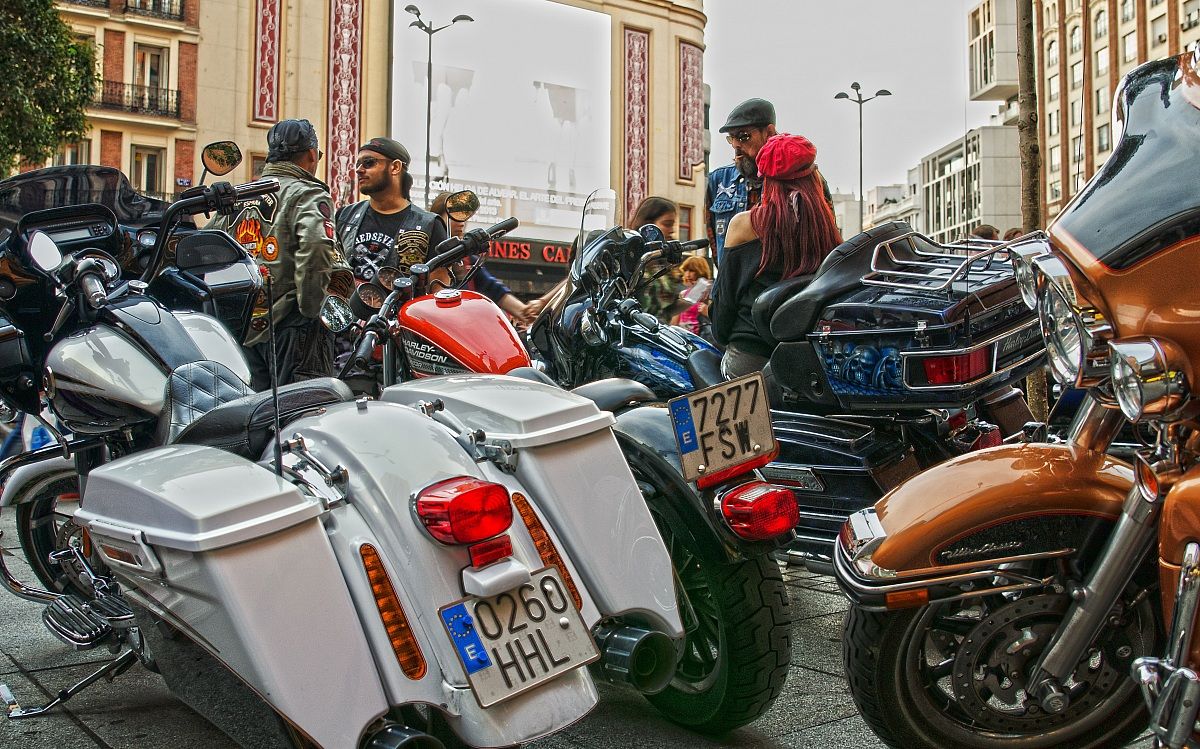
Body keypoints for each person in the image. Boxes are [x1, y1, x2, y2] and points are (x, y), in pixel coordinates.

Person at [207, 118, 350, 390]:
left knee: (255, 415)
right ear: (310, 154)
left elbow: (208, 246)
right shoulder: (307, 194)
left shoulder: (239, 197)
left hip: (243, 330)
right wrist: (311, 308)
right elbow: (318, 246)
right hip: (292, 328)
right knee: (301, 412)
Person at [710, 133, 843, 379]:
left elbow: (724, 305)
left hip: (750, 359)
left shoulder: (745, 225)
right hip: (808, 360)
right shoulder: (826, 229)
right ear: (813, 177)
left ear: (766, 181)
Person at [333, 137, 447, 284]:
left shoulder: (430, 225)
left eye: (368, 162)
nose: (359, 170)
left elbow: (436, 291)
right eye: (358, 164)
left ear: (395, 167)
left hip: (400, 306)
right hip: (346, 306)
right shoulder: (345, 215)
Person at [429, 190, 536, 325]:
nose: (462, 223)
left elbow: (494, 289)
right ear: (437, 219)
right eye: (454, 215)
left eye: (464, 217)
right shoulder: (425, 256)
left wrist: (524, 311)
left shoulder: (468, 261)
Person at [705, 98, 776, 265]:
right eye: (731, 138)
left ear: (769, 133)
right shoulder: (719, 181)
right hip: (730, 288)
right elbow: (715, 244)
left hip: (779, 289)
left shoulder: (798, 180)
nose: (736, 146)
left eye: (744, 137)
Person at [629, 196, 684, 323]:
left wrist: (693, 297)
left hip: (659, 332)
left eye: (672, 225)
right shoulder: (631, 258)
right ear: (648, 225)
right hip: (635, 332)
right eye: (667, 224)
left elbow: (667, 309)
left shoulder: (663, 260)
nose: (671, 231)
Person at [674, 255, 712, 335]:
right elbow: (675, 320)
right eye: (685, 270)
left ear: (700, 271)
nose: (687, 275)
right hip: (683, 336)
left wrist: (708, 311)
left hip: (702, 337)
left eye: (691, 270)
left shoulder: (708, 290)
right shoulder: (683, 294)